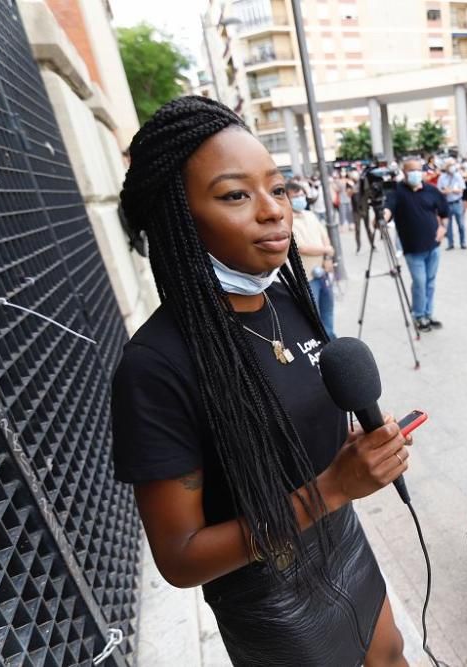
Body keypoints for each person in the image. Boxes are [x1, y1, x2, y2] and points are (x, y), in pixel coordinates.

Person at [113, 96, 410, 667]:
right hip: (265, 588)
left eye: (278, 188)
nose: (273, 211)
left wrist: (356, 456)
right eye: (235, 195)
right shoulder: (154, 368)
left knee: (391, 654)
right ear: (177, 217)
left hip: (338, 538)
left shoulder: (287, 303)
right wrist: (333, 488)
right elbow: (180, 559)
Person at [384, 158, 449, 332]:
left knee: (430, 282)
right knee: (420, 282)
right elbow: (388, 208)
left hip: (433, 246)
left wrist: (443, 228)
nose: (415, 173)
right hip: (413, 249)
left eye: (418, 170)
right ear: (404, 173)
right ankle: (419, 315)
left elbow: (444, 212)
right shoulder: (397, 191)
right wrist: (382, 216)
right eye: (411, 170)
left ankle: (429, 313)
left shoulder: (431, 190)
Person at [289, 180, 337, 339]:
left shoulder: (310, 215)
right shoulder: (288, 222)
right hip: (307, 278)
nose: (300, 198)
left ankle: (331, 339)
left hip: (323, 272)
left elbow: (325, 237)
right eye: (296, 196)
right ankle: (321, 343)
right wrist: (326, 250)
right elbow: (300, 248)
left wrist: (328, 257)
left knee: (328, 310)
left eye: (302, 195)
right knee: (313, 315)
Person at [437, 158, 467, 250]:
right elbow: (439, 190)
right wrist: (444, 191)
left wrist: (452, 190)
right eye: (450, 165)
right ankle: (450, 243)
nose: (452, 167)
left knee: (461, 224)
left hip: (457, 202)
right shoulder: (442, 177)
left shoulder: (458, 176)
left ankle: (463, 242)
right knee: (448, 225)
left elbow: (461, 189)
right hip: (447, 203)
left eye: (453, 165)